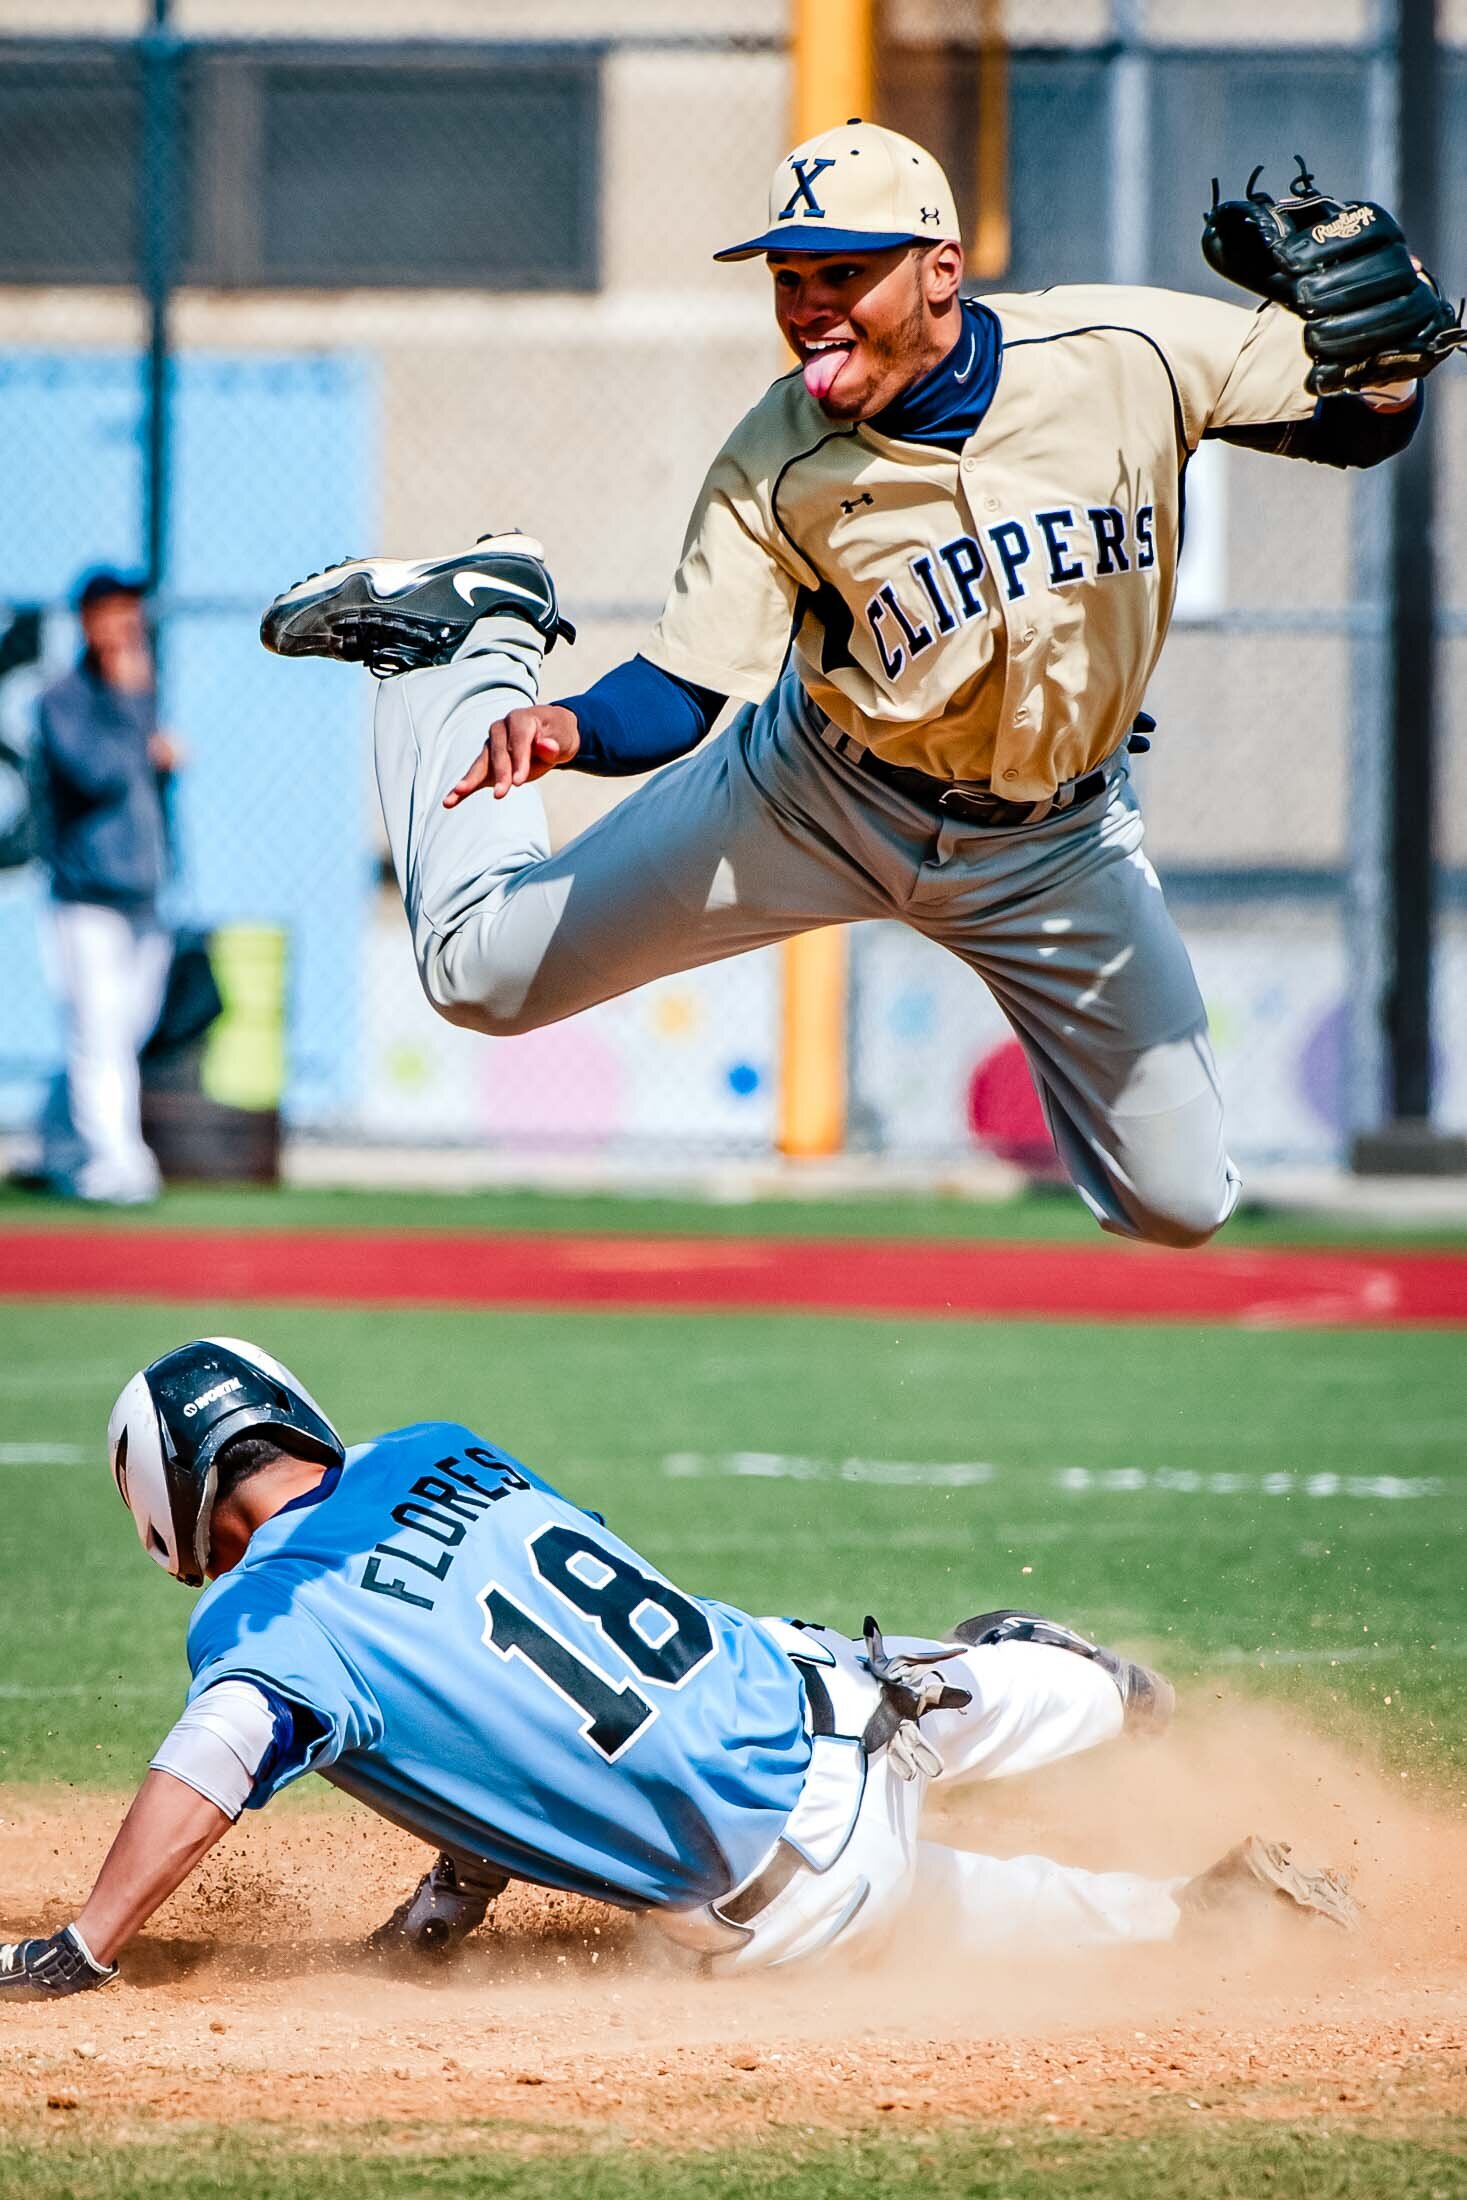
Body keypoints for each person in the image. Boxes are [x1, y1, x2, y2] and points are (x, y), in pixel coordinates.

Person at [260, 124, 1440, 1247]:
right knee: (478, 975)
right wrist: (568, 723)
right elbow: (683, 690)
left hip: (1055, 848)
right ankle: (461, 645)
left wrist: (1387, 368)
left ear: (941, 269)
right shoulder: (773, 462)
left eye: (843, 272)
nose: (808, 305)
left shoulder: (1123, 355)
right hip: (817, 803)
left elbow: (1354, 412)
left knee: (1181, 1204)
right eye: (788, 278)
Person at [0, 1337, 1356, 2000]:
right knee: (845, 1674)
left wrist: (82, 1946)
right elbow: (508, 1653)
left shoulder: (264, 1628)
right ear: (290, 1412)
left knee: (918, 1910)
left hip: (796, 1904)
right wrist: (446, 1901)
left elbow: (215, 1757)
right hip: (836, 1712)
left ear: (169, 1506)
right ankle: (1077, 1693)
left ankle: (1199, 1917)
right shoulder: (438, 1448)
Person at [31, 570, 182, 1204]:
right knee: (97, 1030)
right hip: (86, 897)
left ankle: (65, 1145)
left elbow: (147, 792)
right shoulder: (64, 699)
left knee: (126, 1030)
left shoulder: (140, 696)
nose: (129, 629)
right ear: (90, 621)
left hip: (144, 894)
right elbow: (97, 775)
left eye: (134, 615)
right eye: (116, 614)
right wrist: (130, 711)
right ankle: (120, 1165)